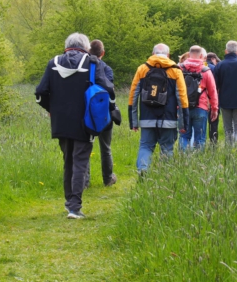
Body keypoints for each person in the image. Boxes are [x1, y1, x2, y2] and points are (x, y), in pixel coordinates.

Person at [35, 33, 115, 219]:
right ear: (85, 47)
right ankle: (74, 207)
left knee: (68, 161)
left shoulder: (53, 63)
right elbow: (108, 90)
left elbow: (40, 93)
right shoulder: (92, 63)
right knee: (80, 161)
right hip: (85, 121)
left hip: (60, 121)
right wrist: (108, 112)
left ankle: (69, 202)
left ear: (67, 46)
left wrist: (52, 109)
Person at [129, 43, 189, 173]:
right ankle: (165, 177)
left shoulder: (142, 69)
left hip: (146, 118)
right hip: (168, 119)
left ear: (152, 54)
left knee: (145, 146)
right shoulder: (176, 70)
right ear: (168, 55)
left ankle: (143, 171)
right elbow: (182, 98)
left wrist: (133, 121)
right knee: (167, 148)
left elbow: (133, 95)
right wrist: (183, 123)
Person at [84, 39, 118, 188]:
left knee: (85, 146)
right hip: (104, 113)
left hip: (87, 113)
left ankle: (85, 182)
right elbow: (110, 90)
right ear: (102, 53)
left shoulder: (83, 67)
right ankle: (108, 178)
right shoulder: (107, 69)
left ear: (88, 51)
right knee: (106, 147)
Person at [178, 45, 218, 150]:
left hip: (183, 107)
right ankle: (197, 163)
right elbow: (213, 91)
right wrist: (214, 109)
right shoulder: (205, 70)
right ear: (201, 55)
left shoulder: (179, 68)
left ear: (189, 54)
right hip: (201, 107)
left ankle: (182, 161)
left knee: (183, 136)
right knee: (200, 138)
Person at [206, 52, 221, 143]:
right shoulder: (214, 69)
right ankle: (213, 143)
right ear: (213, 59)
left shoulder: (200, 67)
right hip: (212, 99)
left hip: (199, 100)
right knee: (213, 123)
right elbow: (216, 87)